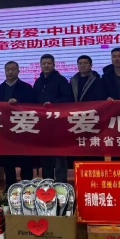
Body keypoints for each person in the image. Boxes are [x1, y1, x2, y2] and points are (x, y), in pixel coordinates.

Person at [0, 61, 35, 189]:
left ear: (18, 71)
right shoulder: (0, 89)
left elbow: (32, 105)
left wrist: (19, 102)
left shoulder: (27, 87)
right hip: (6, 129)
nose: (10, 72)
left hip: (23, 127)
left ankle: (27, 184)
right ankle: (10, 184)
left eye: (13, 69)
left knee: (25, 158)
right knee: (8, 158)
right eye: (8, 69)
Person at [33, 54, 73, 182]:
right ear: (40, 65)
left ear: (54, 65)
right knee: (45, 154)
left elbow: (67, 98)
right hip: (43, 124)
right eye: (44, 63)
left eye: (49, 63)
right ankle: (47, 182)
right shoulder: (38, 82)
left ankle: (61, 183)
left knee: (59, 154)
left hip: (58, 123)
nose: (46, 65)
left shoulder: (61, 80)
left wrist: (53, 104)